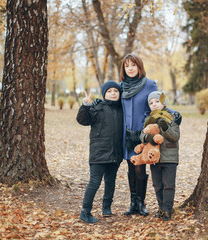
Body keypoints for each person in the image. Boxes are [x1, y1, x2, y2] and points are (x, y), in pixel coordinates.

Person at [120, 53, 182, 216]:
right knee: (131, 166)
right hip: (127, 134)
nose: (130, 68)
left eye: (133, 65)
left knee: (140, 168)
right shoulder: (122, 86)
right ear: (124, 69)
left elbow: (158, 104)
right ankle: (133, 203)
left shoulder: (149, 84)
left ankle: (141, 203)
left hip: (144, 133)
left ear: (139, 67)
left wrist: (173, 113)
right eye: (127, 66)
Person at [76, 80, 123, 224]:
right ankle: (85, 211)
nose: (113, 94)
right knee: (94, 182)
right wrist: (86, 105)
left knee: (111, 181)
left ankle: (106, 207)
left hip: (116, 152)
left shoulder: (122, 109)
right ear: (104, 94)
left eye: (116, 91)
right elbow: (83, 120)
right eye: (109, 91)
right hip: (99, 152)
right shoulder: (98, 107)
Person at [143, 91, 180, 221]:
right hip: (154, 158)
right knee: (157, 185)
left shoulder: (172, 117)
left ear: (163, 102)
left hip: (170, 158)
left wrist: (166, 128)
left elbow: (175, 136)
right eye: (151, 103)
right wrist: (146, 137)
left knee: (168, 185)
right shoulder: (149, 119)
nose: (154, 104)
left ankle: (167, 209)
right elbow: (142, 134)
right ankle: (161, 207)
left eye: (157, 101)